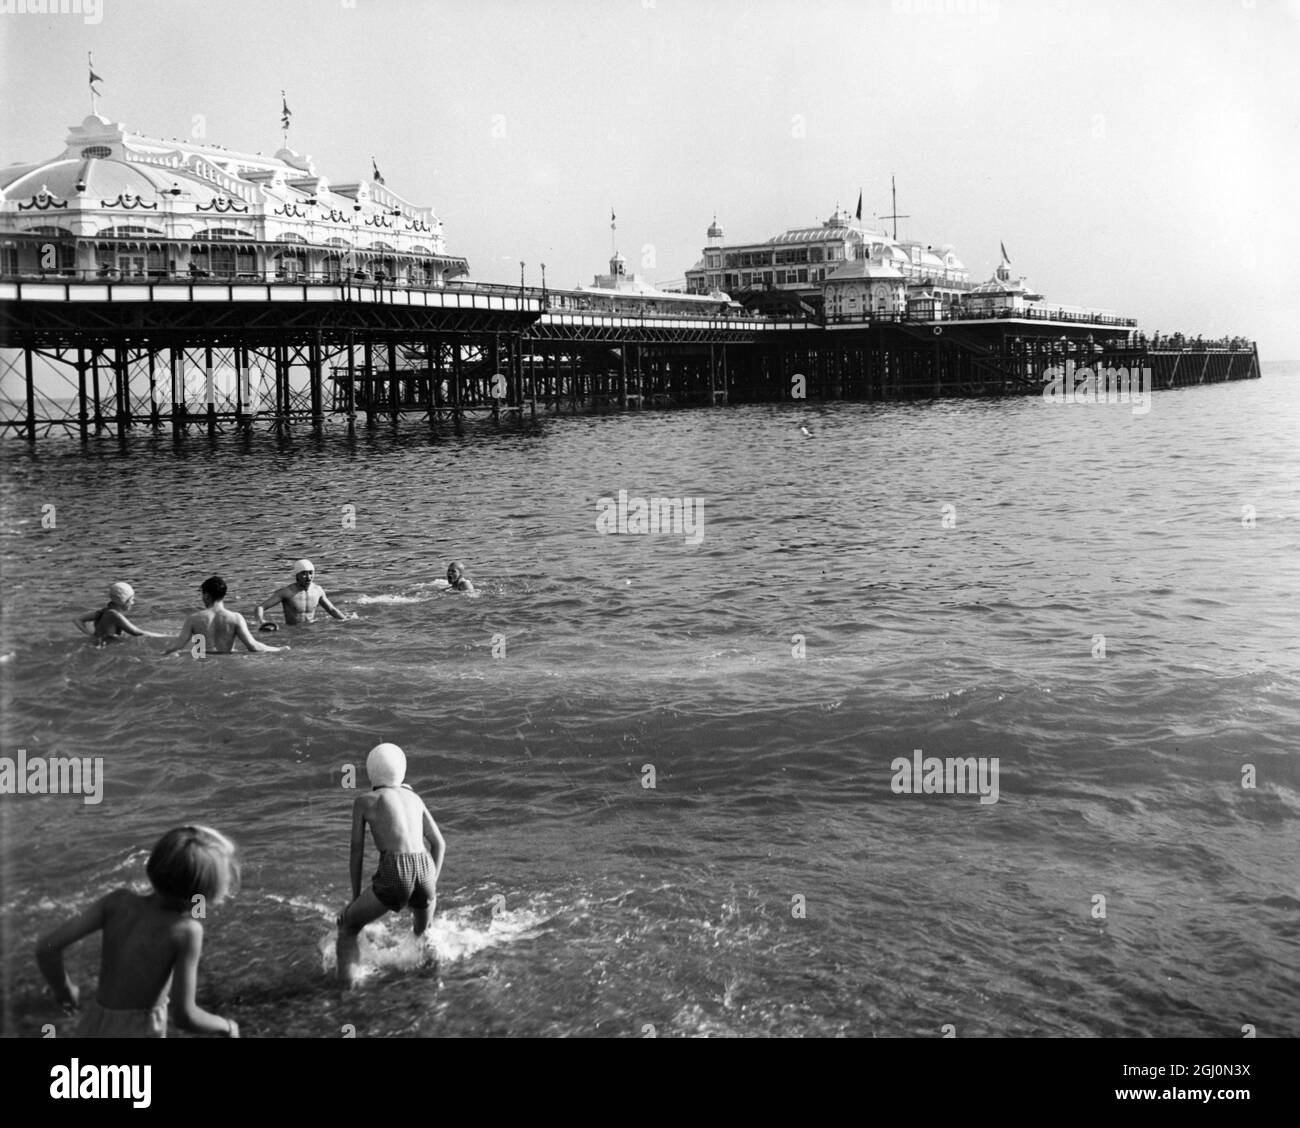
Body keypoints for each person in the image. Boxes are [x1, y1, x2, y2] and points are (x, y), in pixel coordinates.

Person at [35, 825, 241, 1037]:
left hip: (94, 1024)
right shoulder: (187, 931)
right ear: (205, 892)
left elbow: (46, 948)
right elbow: (185, 1017)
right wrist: (227, 1026)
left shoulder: (116, 902)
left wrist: (65, 991)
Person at [336, 743, 446, 988]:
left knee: (348, 927)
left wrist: (354, 899)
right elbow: (439, 844)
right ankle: (434, 986)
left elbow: (357, 852)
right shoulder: (415, 798)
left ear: (370, 772)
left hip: (396, 870)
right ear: (402, 771)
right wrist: (430, 888)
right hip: (426, 869)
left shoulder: (365, 800)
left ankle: (346, 994)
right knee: (424, 934)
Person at [163, 575, 287, 655]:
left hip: (201, 663)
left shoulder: (194, 619)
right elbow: (253, 646)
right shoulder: (235, 618)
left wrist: (162, 654)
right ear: (224, 595)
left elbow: (178, 645)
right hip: (227, 661)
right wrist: (279, 649)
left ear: (206, 596)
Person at [256, 559, 346, 628]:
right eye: (304, 574)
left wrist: (347, 621)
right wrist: (261, 621)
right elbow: (260, 607)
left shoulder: (318, 591)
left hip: (311, 629)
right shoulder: (286, 592)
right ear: (297, 575)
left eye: (311, 573)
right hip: (292, 631)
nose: (308, 577)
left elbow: (332, 610)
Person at [74, 582, 168, 645]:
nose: (133, 603)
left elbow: (77, 619)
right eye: (131, 599)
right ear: (123, 601)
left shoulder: (103, 611)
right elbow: (138, 632)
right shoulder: (114, 615)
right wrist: (168, 637)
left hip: (98, 645)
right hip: (106, 650)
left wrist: (90, 635)